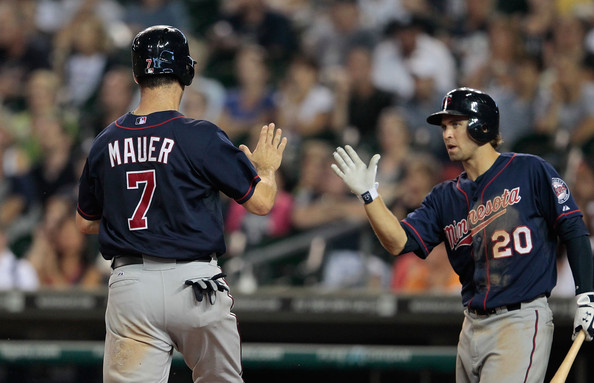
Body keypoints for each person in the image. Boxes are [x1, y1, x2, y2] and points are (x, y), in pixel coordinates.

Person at [331, 87, 594, 382]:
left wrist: (587, 294)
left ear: (481, 125)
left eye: (455, 124)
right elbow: (398, 242)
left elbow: (573, 228)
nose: (447, 134)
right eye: (444, 127)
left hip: (519, 320)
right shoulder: (444, 197)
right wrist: (370, 197)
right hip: (470, 325)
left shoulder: (530, 170)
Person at [76, 25, 286, 383]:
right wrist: (265, 169)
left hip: (131, 287)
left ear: (137, 73)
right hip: (194, 284)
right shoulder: (200, 134)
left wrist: (142, 218)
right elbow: (262, 203)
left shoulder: (105, 141)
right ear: (186, 71)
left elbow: (85, 222)